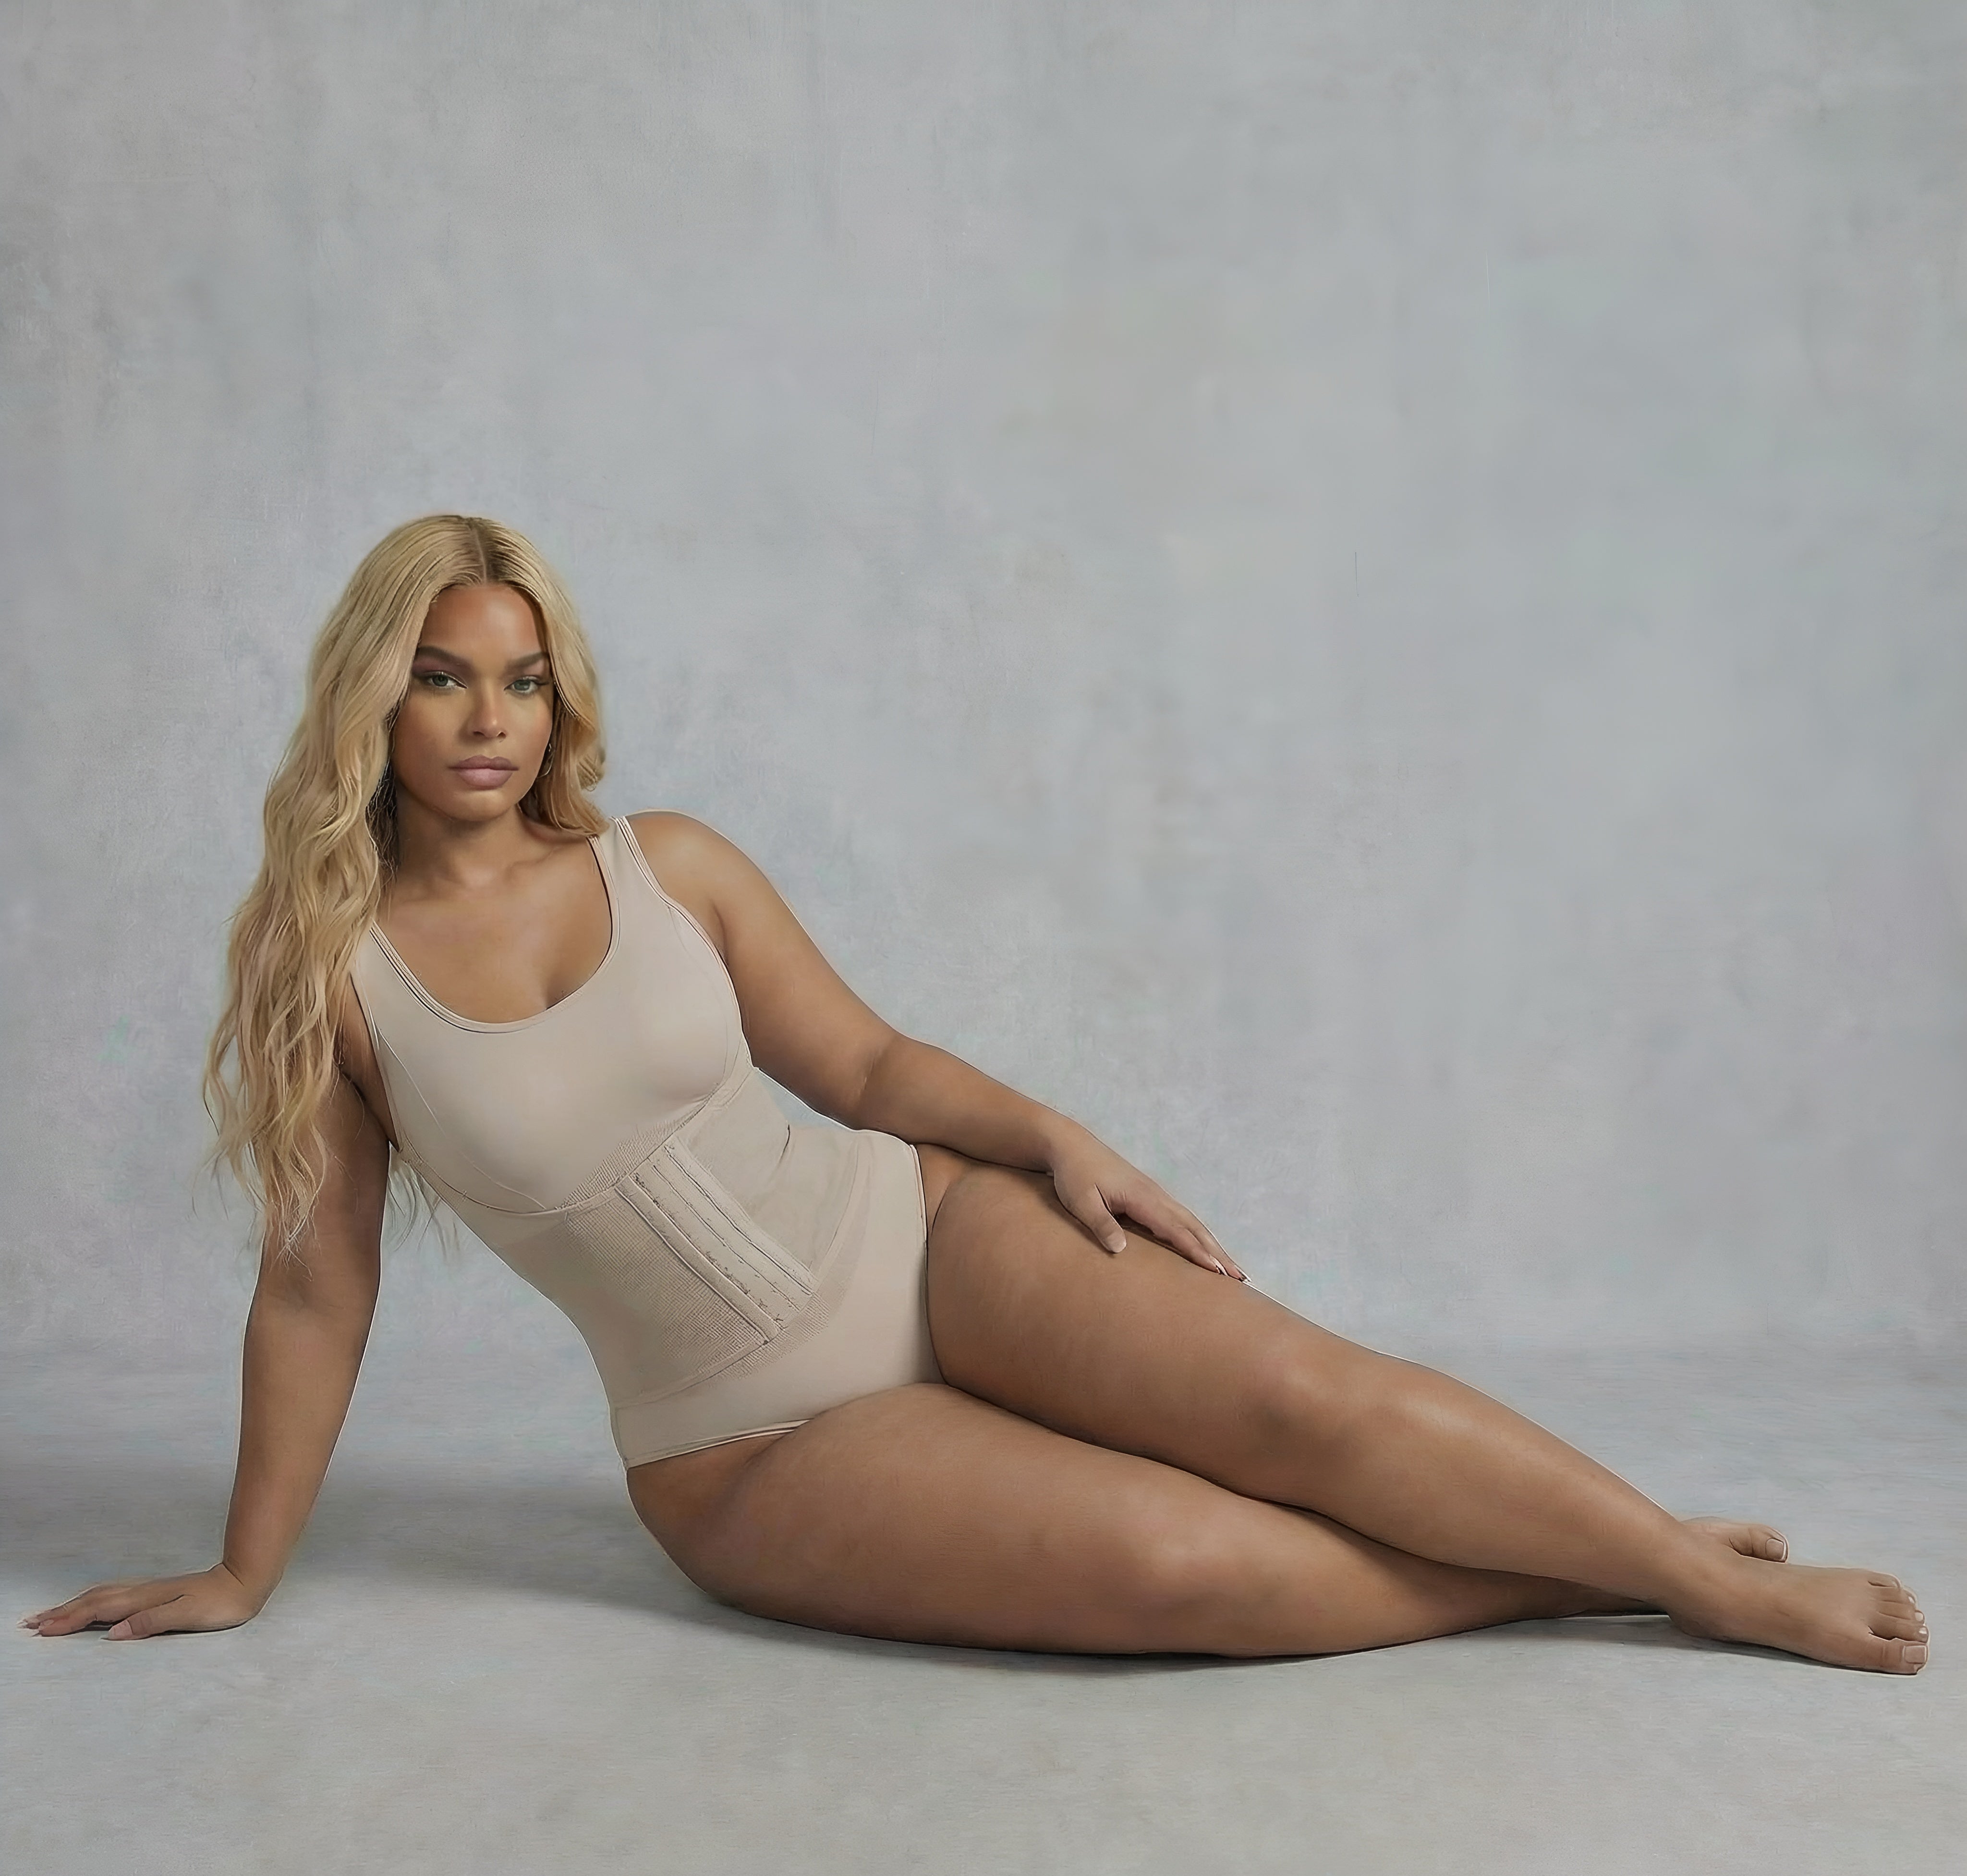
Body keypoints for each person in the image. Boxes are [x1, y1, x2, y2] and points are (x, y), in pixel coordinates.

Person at [23, 515, 1928, 1673]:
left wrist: (1049, 1139)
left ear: (560, 694)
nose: (489, 717)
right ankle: (1564, 1584)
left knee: (1288, 1394)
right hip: (744, 1446)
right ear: (374, 698)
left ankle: (1694, 1572)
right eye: (441, 678)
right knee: (1176, 1561)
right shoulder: (329, 966)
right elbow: (314, 1284)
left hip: (920, 1237)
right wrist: (243, 1565)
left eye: (520, 676)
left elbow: (858, 1065)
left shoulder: (665, 863)